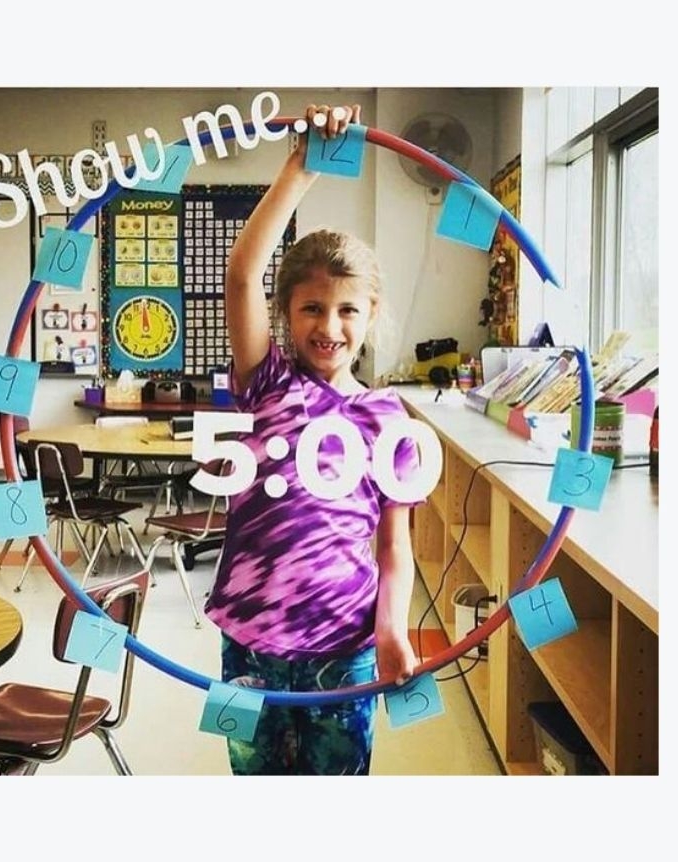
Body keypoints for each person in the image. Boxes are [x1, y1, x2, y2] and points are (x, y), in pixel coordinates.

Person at [205, 103, 419, 775]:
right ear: (285, 314)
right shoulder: (266, 382)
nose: (329, 326)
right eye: (311, 308)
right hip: (249, 639)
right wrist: (301, 166)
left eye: (347, 309)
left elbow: (394, 545)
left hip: (344, 645)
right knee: (255, 780)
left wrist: (392, 628)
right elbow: (242, 274)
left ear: (371, 315)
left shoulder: (388, 419)